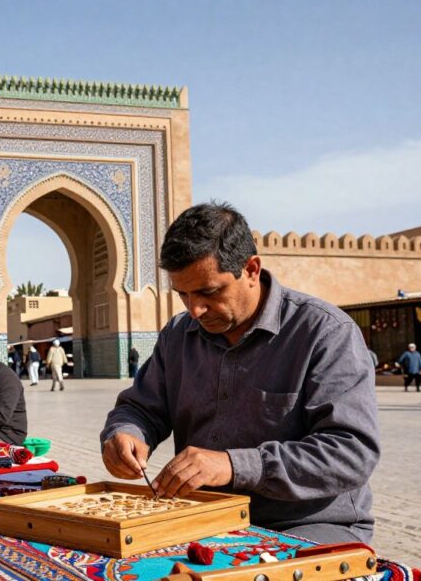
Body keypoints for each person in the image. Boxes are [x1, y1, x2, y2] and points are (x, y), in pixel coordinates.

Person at [100, 202, 379, 544]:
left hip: (306, 523)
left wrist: (234, 466)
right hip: (204, 515)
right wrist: (125, 433)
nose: (196, 309)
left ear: (251, 269)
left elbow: (351, 452)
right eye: (183, 295)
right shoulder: (178, 334)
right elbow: (141, 408)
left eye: (209, 291)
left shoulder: (325, 332)